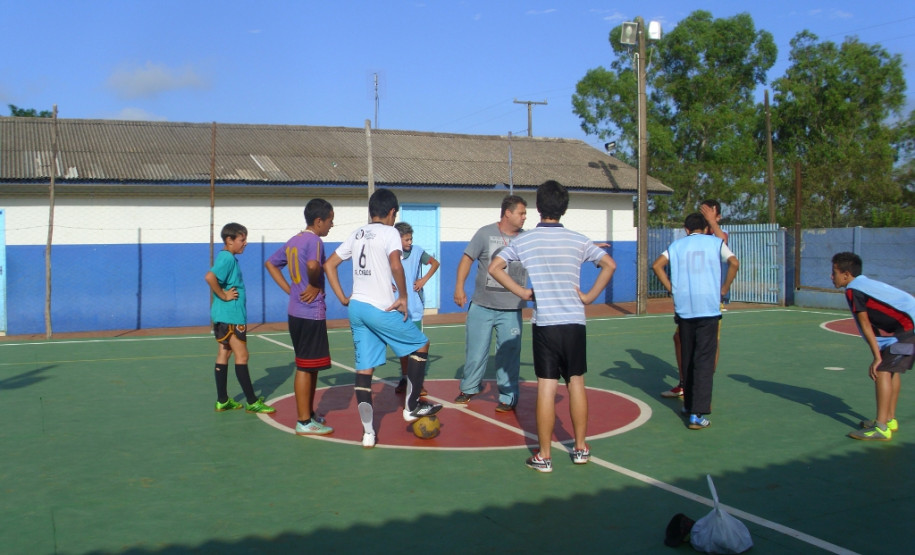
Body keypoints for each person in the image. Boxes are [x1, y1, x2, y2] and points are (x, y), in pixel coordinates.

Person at [488, 180, 616, 472]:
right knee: (576, 383)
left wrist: (521, 292)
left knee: (546, 387)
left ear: (538, 207)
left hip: (545, 323)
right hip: (574, 322)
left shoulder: (525, 240)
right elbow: (609, 264)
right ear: (565, 207)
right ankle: (580, 448)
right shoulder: (579, 240)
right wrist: (589, 297)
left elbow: (495, 266)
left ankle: (544, 456)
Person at [324, 188, 442, 448]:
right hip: (379, 308)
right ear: (391, 213)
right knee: (421, 344)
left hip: (356, 308)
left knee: (364, 370)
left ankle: (368, 434)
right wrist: (403, 297)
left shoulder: (357, 233)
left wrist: (344, 297)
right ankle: (411, 407)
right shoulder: (391, 233)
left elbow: (329, 264)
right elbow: (396, 265)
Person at [652, 213, 739, 430]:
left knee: (688, 357)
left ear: (685, 229)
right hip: (708, 308)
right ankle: (697, 414)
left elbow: (657, 265)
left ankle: (688, 405)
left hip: (685, 309)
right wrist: (725, 288)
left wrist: (672, 288)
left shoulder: (676, 246)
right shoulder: (716, 243)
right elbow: (734, 263)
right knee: (704, 361)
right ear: (705, 228)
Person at [265, 199, 335, 435]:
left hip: (295, 312)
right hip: (310, 312)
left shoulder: (294, 240)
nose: (332, 225)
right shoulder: (314, 240)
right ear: (318, 221)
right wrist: (314, 283)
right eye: (330, 220)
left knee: (310, 366)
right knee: (305, 367)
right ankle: (304, 421)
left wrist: (290, 290)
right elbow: (315, 264)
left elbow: (271, 263)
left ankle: (309, 414)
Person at [453, 195, 528, 413]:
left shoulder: (527, 238)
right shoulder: (485, 233)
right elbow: (467, 258)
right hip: (482, 305)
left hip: (511, 309)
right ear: (508, 213)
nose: (524, 217)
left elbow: (551, 246)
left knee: (509, 355)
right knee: (476, 352)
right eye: (521, 213)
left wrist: (586, 248)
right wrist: (459, 286)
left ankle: (508, 395)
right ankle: (469, 387)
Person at [831, 252, 915, 441]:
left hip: (907, 332)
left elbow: (866, 324)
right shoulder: (864, 284)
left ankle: (881, 427)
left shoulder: (854, 290)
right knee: (891, 371)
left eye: (834, 272)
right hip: (905, 330)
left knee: (882, 371)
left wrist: (876, 357)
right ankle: (889, 419)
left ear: (846, 275)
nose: (831, 277)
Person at [661, 200, 730, 399]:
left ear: (717, 217)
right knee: (679, 338)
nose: (707, 215)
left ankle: (703, 381)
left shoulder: (717, 237)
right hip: (689, 298)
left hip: (709, 300)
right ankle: (684, 382)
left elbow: (726, 247)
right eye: (704, 212)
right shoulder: (692, 239)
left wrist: (712, 223)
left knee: (710, 343)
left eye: (711, 213)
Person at [205, 222, 276, 414]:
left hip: (222, 316)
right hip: (231, 317)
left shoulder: (227, 257)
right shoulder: (227, 258)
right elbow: (210, 277)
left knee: (224, 353)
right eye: (242, 239)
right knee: (242, 355)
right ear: (229, 241)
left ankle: (222, 400)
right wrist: (224, 295)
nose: (245, 243)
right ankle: (252, 401)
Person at [392, 221, 440, 395]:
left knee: (416, 346)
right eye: (406, 240)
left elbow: (435, 263)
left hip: (415, 307)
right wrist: (386, 285)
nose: (409, 242)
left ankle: (417, 383)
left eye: (410, 239)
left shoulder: (417, 251)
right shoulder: (390, 253)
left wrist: (423, 280)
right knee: (402, 347)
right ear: (397, 239)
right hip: (397, 307)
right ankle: (405, 378)